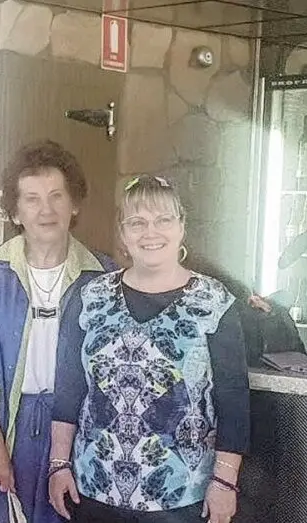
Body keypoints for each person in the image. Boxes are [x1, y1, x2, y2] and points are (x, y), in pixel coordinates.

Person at [49, 175, 250, 523]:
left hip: (182, 497)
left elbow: (233, 401)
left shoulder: (214, 302)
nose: (150, 232)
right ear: (123, 234)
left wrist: (225, 482)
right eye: (137, 222)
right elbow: (69, 389)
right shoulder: (90, 297)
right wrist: (58, 464)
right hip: (94, 488)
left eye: (163, 220)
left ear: (181, 226)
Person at [0, 140, 116, 522]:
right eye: (32, 199)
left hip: (77, 435)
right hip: (4, 427)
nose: (46, 210)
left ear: (74, 204)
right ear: (15, 211)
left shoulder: (104, 277)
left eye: (57, 196)